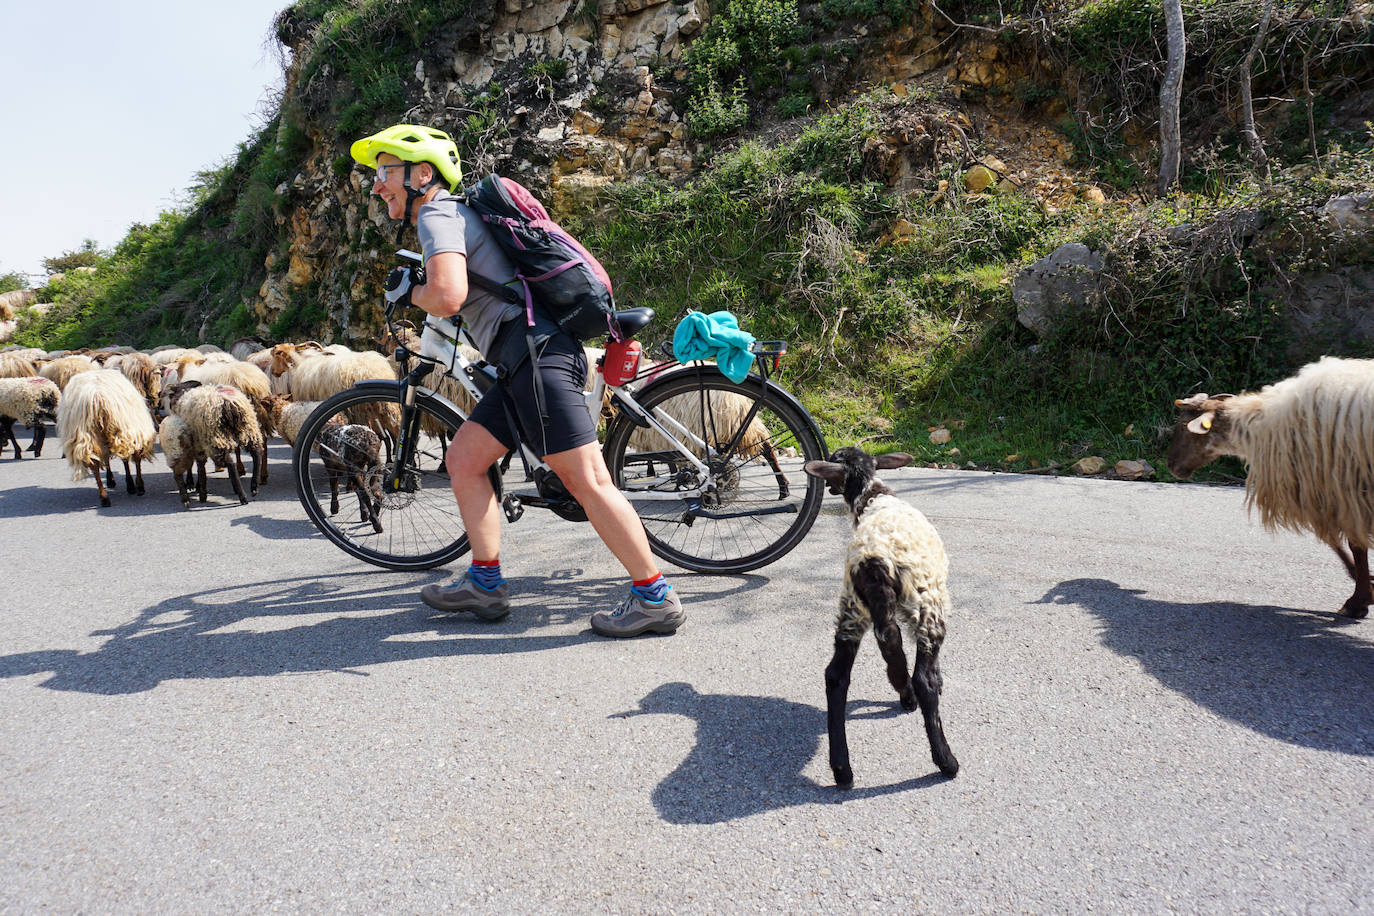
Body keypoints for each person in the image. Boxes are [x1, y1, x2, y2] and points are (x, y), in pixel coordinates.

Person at [350, 124, 684, 638]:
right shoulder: (452, 214)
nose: (377, 186)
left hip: (538, 357)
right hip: (521, 361)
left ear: (421, 175)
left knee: (588, 481)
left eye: (385, 173)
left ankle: (655, 597)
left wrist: (406, 291)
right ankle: (485, 584)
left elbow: (447, 297)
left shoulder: (438, 213)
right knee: (464, 458)